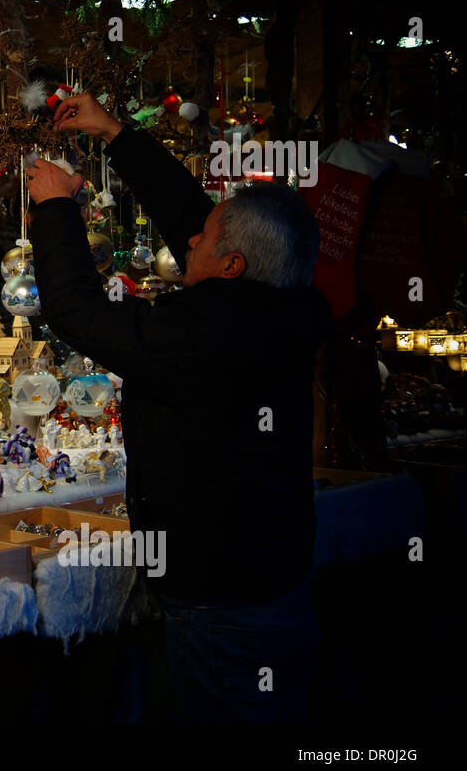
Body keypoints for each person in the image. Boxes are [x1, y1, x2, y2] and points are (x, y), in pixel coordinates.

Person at [27, 92, 330, 723]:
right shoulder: (287, 303)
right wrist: (116, 133)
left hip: (225, 610)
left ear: (231, 266)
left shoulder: (203, 336)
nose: (190, 237)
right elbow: (196, 218)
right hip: (270, 586)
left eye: (206, 241)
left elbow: (77, 313)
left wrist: (57, 209)